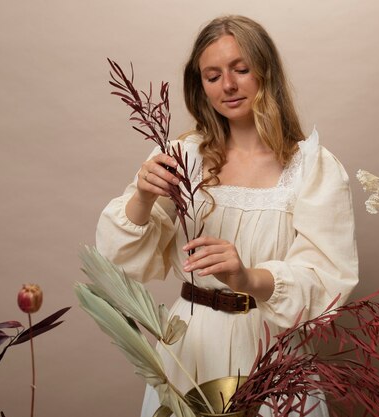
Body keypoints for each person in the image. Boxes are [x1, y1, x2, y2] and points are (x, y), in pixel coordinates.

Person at [96, 15, 358, 417]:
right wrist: (143, 198)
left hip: (268, 349)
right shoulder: (183, 156)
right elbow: (118, 263)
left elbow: (327, 282)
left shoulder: (311, 166)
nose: (228, 86)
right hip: (188, 345)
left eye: (241, 69)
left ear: (265, 73)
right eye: (213, 75)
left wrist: (246, 277)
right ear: (199, 84)